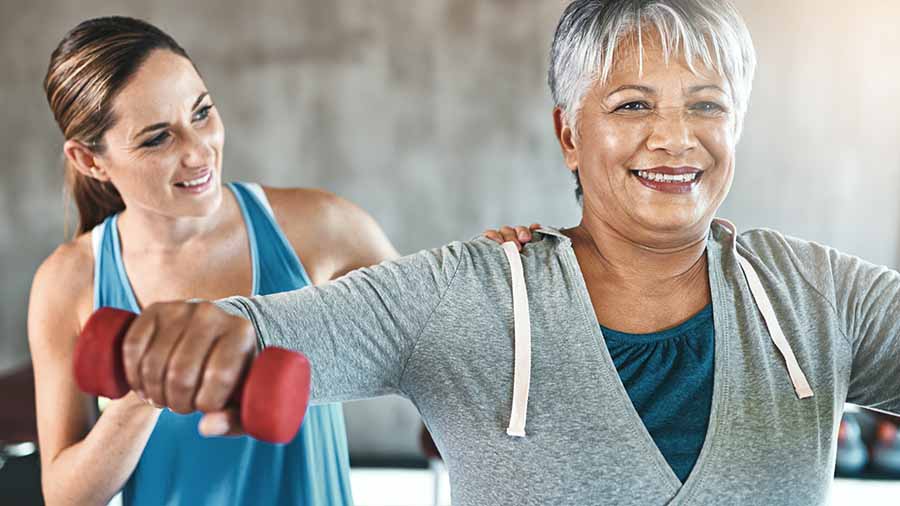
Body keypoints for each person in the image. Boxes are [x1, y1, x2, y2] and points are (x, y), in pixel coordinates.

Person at [66, 1, 900, 504]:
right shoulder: (465, 297)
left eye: (707, 106)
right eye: (634, 103)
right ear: (568, 134)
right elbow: (270, 328)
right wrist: (207, 334)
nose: (676, 137)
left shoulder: (823, 296)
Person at [27, 16, 530, 506]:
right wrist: (142, 394)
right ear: (90, 161)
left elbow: (444, 357)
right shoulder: (68, 281)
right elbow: (66, 495)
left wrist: (503, 286)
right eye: (158, 138)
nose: (199, 151)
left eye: (202, 112)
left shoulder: (321, 227)